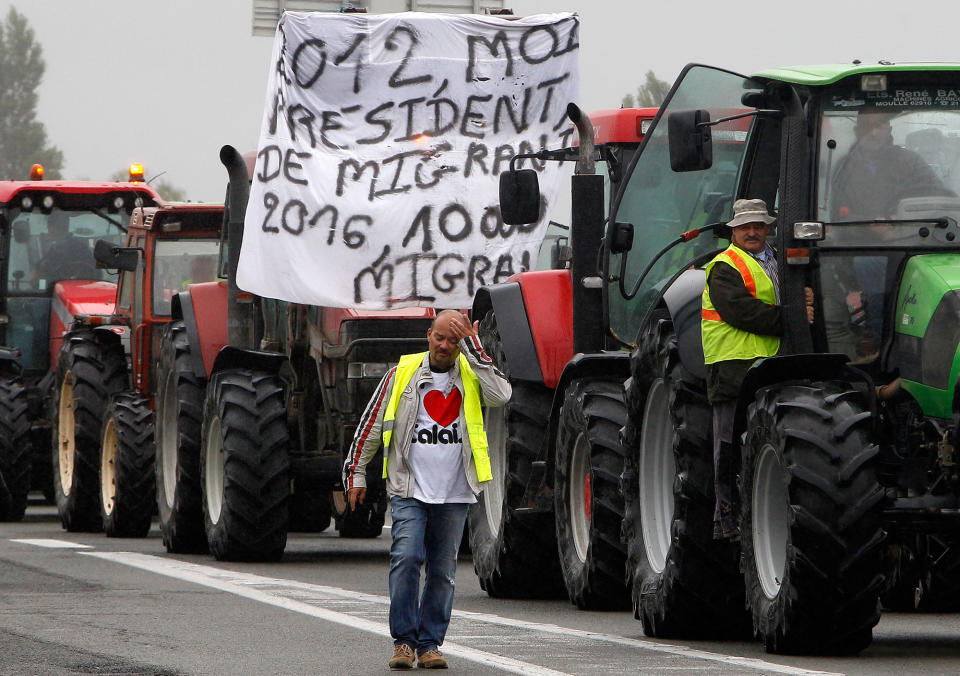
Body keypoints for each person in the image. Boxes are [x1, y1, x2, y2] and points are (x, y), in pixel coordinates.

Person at [343, 309, 511, 670]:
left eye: (454, 341)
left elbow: (502, 395)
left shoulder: (470, 374)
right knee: (405, 559)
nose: (445, 346)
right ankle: (403, 642)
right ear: (428, 335)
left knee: (443, 571)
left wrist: (474, 348)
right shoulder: (401, 374)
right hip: (409, 488)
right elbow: (371, 425)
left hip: (454, 492)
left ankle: (430, 644)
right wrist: (355, 473)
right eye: (440, 338)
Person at [701, 198, 813, 540]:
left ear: (768, 228)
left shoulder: (779, 260)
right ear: (733, 231)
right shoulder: (723, 267)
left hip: (772, 361)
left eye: (758, 226)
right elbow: (742, 312)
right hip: (733, 365)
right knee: (727, 445)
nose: (752, 232)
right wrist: (795, 319)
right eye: (745, 227)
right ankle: (725, 518)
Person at [831, 107, 953, 222]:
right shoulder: (845, 166)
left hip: (909, 236)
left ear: (888, 130)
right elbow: (838, 215)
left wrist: (900, 219)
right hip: (855, 241)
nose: (873, 133)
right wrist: (872, 225)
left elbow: (940, 198)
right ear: (857, 131)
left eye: (878, 126)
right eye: (867, 127)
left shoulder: (910, 161)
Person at [34, 211, 93, 284]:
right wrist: (41, 268)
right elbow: (38, 268)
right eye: (49, 228)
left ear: (64, 228)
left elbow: (94, 273)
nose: (50, 233)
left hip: (79, 289)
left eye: (53, 230)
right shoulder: (54, 250)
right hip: (54, 290)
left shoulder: (81, 249)